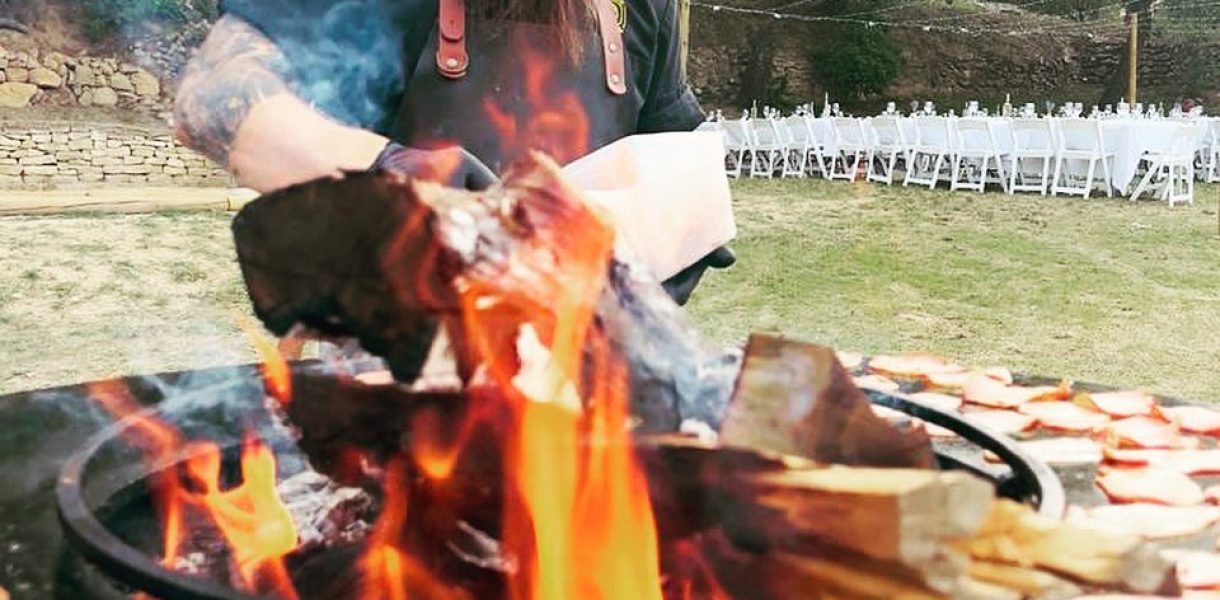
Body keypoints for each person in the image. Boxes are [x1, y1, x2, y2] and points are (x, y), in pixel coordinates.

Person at [174, 0, 734, 307]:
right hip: (407, 383)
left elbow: (678, 149)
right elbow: (213, 97)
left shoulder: (638, 9)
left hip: (582, 405)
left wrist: (679, 232)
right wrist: (392, 172)